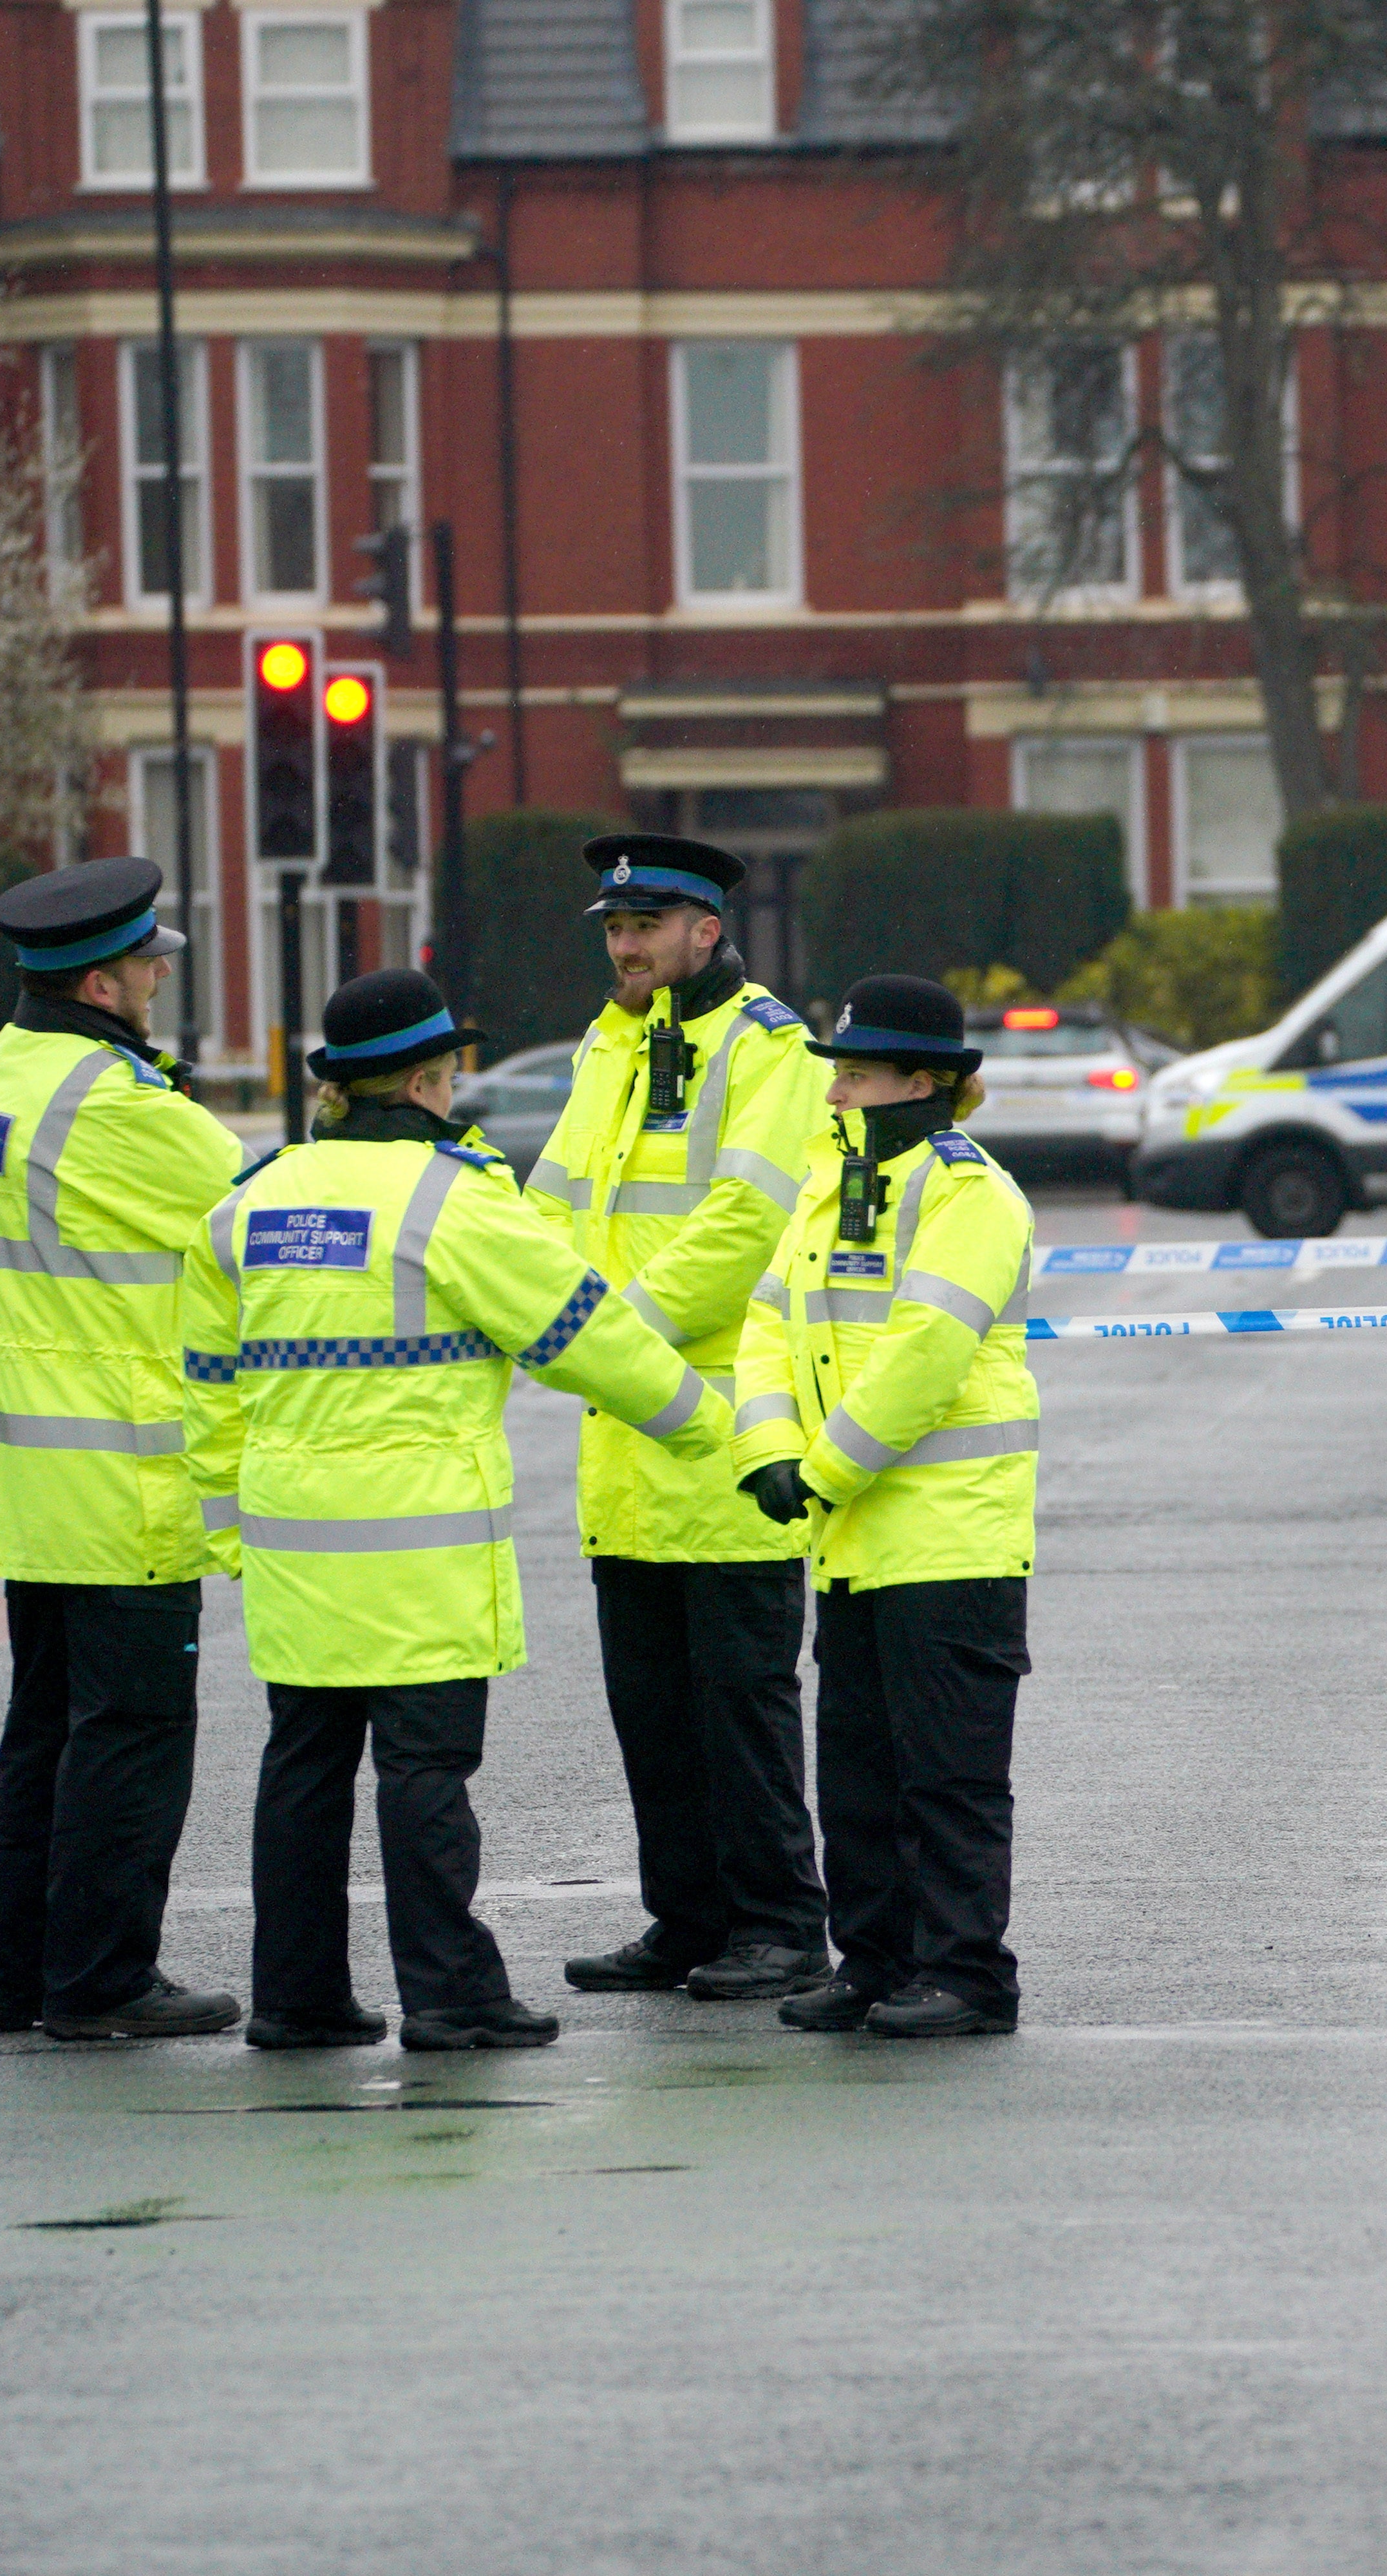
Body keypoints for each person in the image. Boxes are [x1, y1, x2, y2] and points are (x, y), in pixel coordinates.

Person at [184, 970, 733, 2052]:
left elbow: (206, 1385)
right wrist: (723, 1434)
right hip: (419, 1538)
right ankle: (452, 1996)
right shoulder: (455, 1201)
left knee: (303, 1765)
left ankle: (295, 1999)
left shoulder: (247, 1203)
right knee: (423, 1770)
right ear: (433, 1080)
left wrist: (229, 1527)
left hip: (293, 1536)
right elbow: (595, 1339)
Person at [527, 835, 836, 2007]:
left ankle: (780, 1926)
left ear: (707, 931)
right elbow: (546, 1208)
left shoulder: (772, 1052)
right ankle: (689, 1919)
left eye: (647, 927)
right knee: (651, 1713)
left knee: (742, 1708)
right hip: (625, 1446)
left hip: (721, 1435)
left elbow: (743, 1229)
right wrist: (547, 1316)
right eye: (614, 928)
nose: (625, 946)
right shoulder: (612, 1045)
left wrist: (598, 1338)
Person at [0, 855, 243, 2043]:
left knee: (46, 1732)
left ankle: (14, 1978)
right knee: (132, 1737)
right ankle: (104, 1981)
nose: (163, 975)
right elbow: (260, 1207)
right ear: (107, 985)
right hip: (123, 1468)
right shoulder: (112, 1105)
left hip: (27, 1470)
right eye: (150, 963)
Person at [735, 976, 1041, 2039]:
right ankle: (876, 1962)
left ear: (927, 1083)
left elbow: (926, 1355)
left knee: (949, 1779)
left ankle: (966, 1975)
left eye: (857, 1077)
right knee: (860, 1773)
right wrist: (768, 1445)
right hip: (858, 1536)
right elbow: (766, 1323)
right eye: (838, 1075)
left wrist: (816, 1470)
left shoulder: (970, 1194)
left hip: (950, 1536)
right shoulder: (833, 1182)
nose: (836, 1094)